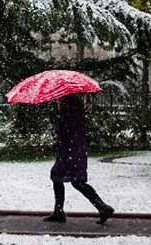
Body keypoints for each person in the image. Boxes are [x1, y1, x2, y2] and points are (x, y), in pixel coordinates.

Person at [44, 93, 114, 224]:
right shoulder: (74, 108)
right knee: (74, 180)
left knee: (63, 178)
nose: (58, 99)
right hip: (74, 150)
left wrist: (59, 125)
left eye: (61, 98)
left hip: (70, 151)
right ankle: (102, 207)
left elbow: (67, 131)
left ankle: (60, 211)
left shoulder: (69, 109)